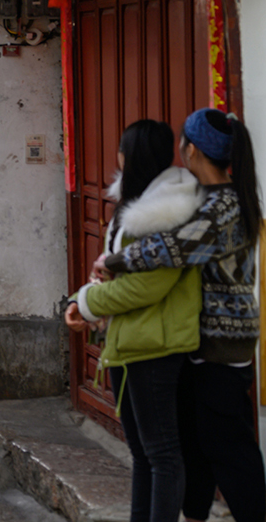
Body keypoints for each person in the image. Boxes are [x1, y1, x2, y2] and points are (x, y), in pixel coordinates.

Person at [97, 109, 265, 522]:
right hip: (203, 336)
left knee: (227, 445)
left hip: (222, 341)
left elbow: (172, 249)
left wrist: (114, 261)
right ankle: (194, 514)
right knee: (196, 439)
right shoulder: (214, 198)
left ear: (192, 150)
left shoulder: (221, 206)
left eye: (183, 145)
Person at [64, 119, 203, 522]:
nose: (117, 159)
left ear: (132, 156)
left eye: (122, 150)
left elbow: (147, 287)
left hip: (156, 344)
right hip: (132, 341)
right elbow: (111, 273)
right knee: (143, 452)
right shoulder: (137, 208)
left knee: (161, 453)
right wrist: (81, 300)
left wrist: (88, 303)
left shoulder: (167, 213)